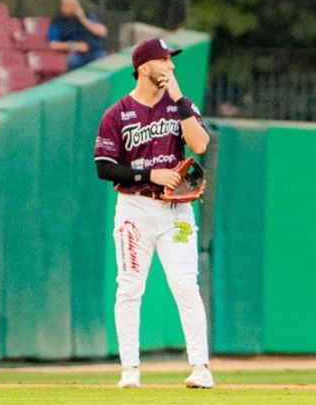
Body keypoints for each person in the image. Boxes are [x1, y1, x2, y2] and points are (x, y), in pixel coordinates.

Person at [93, 38, 214, 389]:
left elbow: (201, 145)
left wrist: (179, 100)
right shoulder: (117, 113)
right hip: (134, 209)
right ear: (144, 67)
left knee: (185, 286)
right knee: (129, 289)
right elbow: (104, 167)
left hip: (175, 211)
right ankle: (129, 371)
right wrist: (149, 175)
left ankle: (200, 368)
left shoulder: (181, 106)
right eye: (164, 60)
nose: (171, 66)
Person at [48, 0, 108, 71]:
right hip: (75, 54)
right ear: (61, 6)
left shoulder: (87, 15)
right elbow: (53, 44)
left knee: (103, 58)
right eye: (66, 5)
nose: (69, 7)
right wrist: (75, 46)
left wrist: (83, 19)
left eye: (71, 4)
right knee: (71, 61)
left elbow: (103, 32)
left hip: (95, 51)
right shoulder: (57, 22)